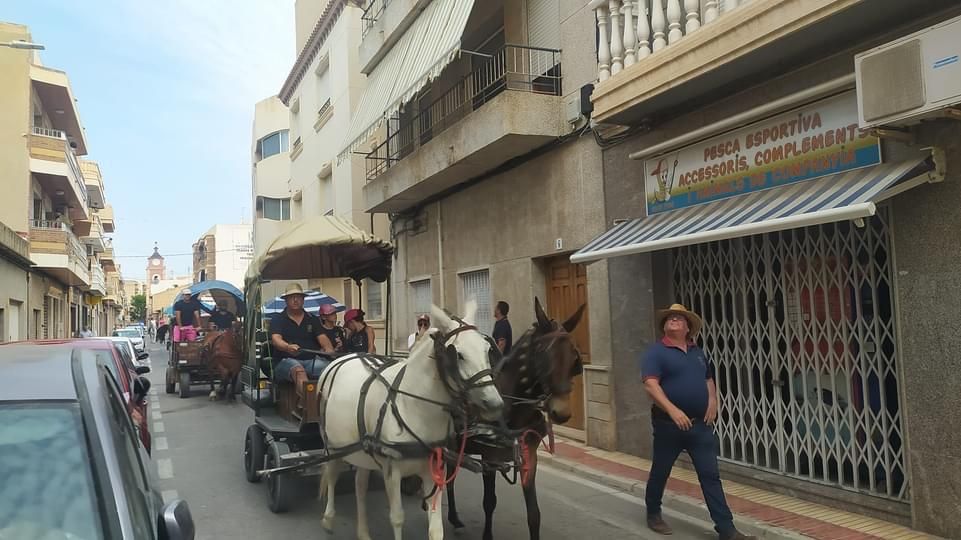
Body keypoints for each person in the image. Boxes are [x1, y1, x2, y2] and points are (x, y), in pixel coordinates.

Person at [640, 304, 755, 540]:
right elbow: (651, 385)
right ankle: (653, 513)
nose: (673, 320)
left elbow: (708, 378)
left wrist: (712, 399)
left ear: (688, 327)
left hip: (700, 426)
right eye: (670, 318)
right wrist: (673, 411)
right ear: (664, 326)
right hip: (668, 425)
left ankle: (726, 529)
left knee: (710, 475)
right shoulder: (656, 352)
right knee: (661, 472)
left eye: (679, 318)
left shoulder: (698, 352)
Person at [269, 283, 333, 393]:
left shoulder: (313, 319)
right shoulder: (277, 318)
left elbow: (323, 339)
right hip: (285, 361)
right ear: (286, 300)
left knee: (333, 370)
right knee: (299, 371)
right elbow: (276, 340)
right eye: (291, 297)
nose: (295, 300)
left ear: (303, 299)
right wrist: (287, 347)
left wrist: (329, 350)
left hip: (311, 361)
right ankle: (308, 407)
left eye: (298, 297)